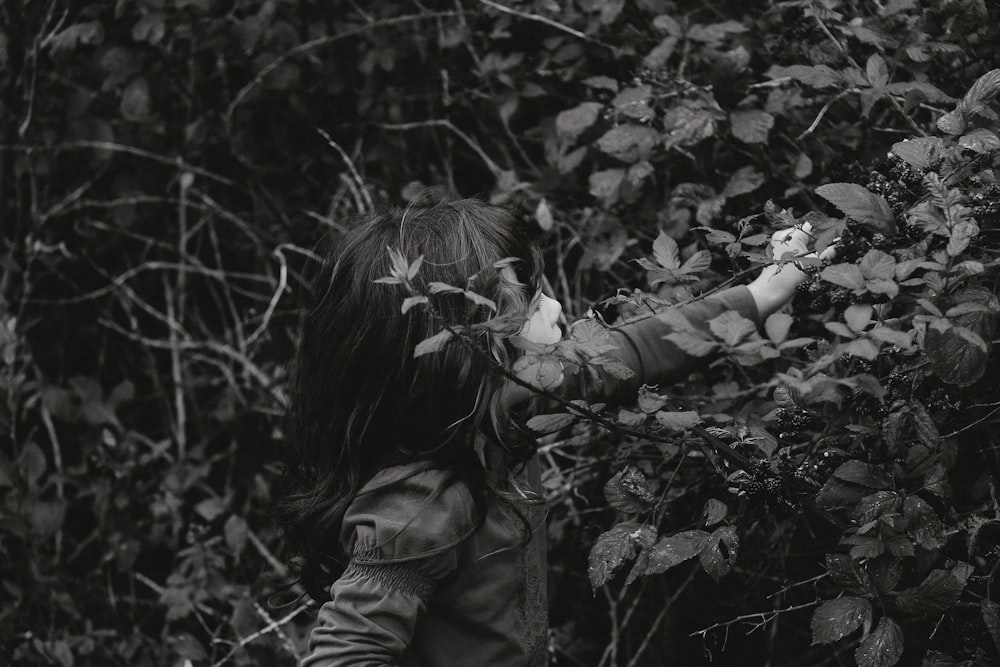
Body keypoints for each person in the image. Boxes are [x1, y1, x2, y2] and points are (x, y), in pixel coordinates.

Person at [277, 193, 817, 666]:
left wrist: (762, 293)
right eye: (533, 304)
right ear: (463, 351)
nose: (558, 308)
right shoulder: (421, 507)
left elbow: (627, 352)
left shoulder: (503, 398)